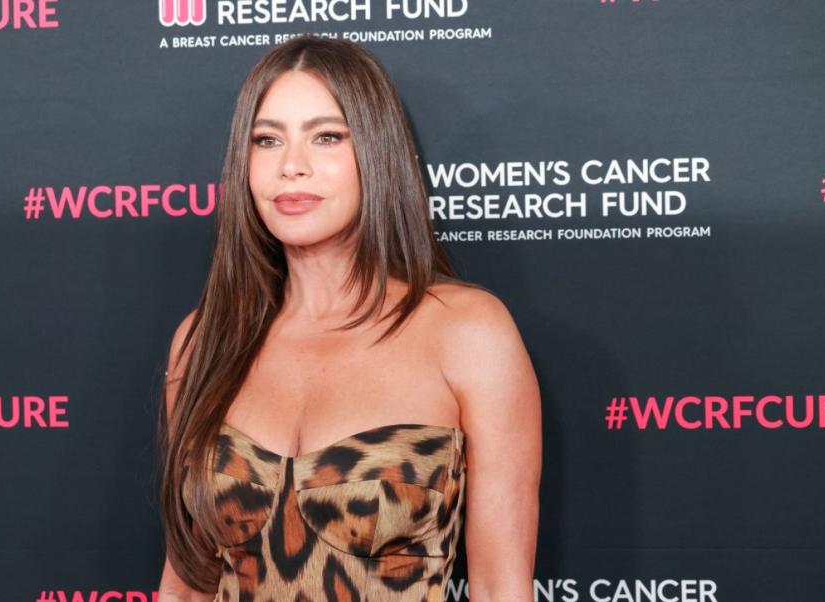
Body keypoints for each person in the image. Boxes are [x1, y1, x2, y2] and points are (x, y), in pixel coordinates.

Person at [156, 35, 541, 601]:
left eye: (327, 136)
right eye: (267, 140)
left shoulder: (466, 332)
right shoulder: (204, 340)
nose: (292, 167)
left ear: (377, 153)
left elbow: (499, 587)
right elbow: (187, 582)